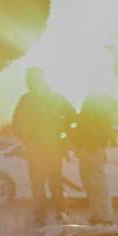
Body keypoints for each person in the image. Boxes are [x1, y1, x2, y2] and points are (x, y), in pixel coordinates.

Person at [12, 68, 76, 225]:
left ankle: (41, 217)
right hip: (52, 149)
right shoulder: (54, 97)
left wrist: (25, 137)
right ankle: (60, 214)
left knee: (38, 184)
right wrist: (64, 136)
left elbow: (16, 124)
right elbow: (72, 115)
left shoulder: (26, 100)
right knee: (54, 183)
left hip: (36, 150)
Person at [74, 93, 116, 226]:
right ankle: (99, 215)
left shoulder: (94, 115)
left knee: (96, 184)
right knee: (92, 184)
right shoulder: (101, 115)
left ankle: (104, 215)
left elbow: (90, 132)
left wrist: (86, 146)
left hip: (91, 150)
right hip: (93, 149)